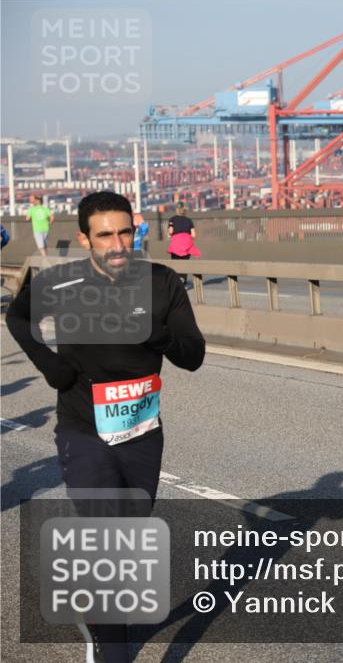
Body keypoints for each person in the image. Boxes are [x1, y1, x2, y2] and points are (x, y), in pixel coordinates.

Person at [5, 191, 206, 662]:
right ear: (84, 238)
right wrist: (48, 364)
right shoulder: (61, 280)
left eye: (125, 231)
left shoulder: (162, 282)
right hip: (82, 426)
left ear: (136, 229)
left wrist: (152, 331)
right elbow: (17, 316)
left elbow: (192, 356)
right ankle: (111, 646)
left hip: (141, 429)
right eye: (104, 235)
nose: (117, 244)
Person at [166, 202, 200, 283]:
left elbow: (171, 232)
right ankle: (183, 280)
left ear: (176, 210)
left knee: (175, 263)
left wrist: (170, 233)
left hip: (176, 244)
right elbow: (194, 235)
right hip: (186, 243)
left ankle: (176, 280)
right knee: (184, 263)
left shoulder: (172, 219)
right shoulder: (189, 220)